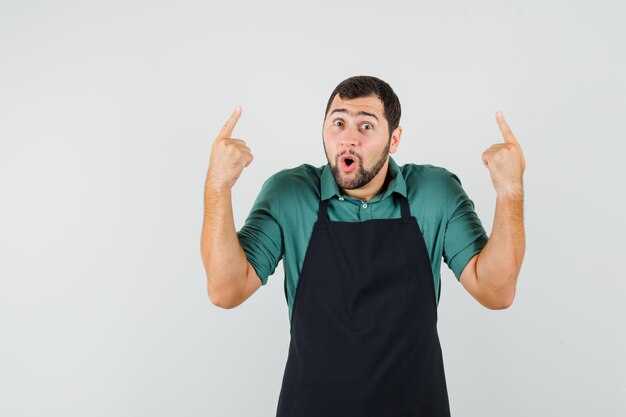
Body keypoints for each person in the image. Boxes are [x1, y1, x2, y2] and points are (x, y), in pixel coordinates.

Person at [201, 75, 525, 416]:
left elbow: (496, 291)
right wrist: (217, 185)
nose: (348, 139)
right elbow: (226, 290)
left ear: (394, 138)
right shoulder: (289, 193)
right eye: (338, 123)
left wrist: (510, 190)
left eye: (366, 126)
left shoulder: (434, 192)